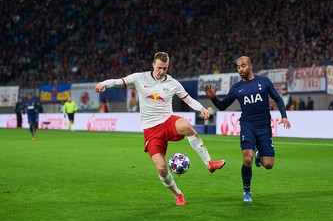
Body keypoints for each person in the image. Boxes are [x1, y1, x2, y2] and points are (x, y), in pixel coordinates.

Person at [95, 52, 225, 206]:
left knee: (186, 126)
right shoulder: (139, 78)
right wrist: (103, 83)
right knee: (162, 168)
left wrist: (202, 108)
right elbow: (118, 81)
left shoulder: (173, 83)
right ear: (153, 65)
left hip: (168, 121)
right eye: (159, 68)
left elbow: (188, 99)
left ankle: (209, 163)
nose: (162, 71)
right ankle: (178, 194)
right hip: (151, 129)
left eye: (165, 68)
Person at [203, 56, 291, 202]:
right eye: (238, 67)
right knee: (247, 158)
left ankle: (259, 155)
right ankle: (247, 191)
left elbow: (278, 99)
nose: (240, 69)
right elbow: (223, 106)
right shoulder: (237, 88)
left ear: (250, 66)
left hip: (264, 127)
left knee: (268, 165)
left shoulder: (264, 81)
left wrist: (284, 116)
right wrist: (213, 98)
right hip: (247, 126)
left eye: (243, 66)